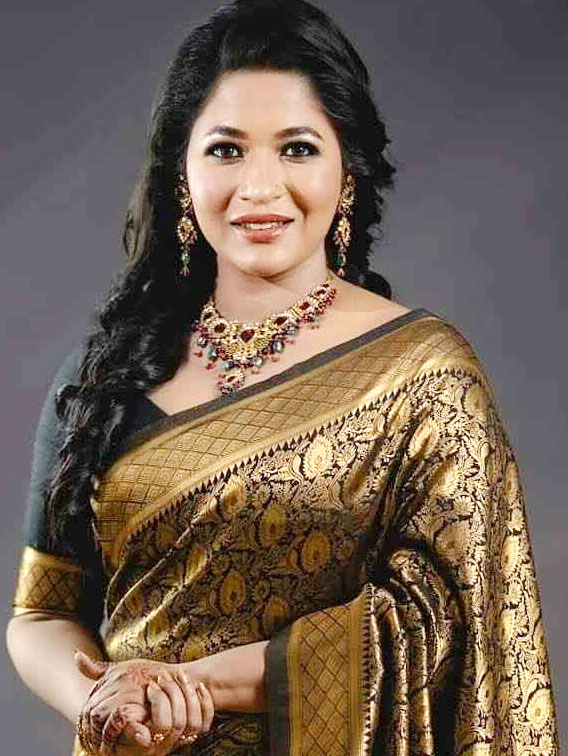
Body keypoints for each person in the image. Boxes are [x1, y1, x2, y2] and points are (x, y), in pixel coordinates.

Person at [6, 0, 559, 753]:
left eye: (297, 149)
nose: (259, 187)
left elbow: (449, 617)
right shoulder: (104, 377)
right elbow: (40, 613)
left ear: (347, 171)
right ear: (181, 174)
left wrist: (191, 685)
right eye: (226, 150)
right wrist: (105, 703)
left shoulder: (424, 376)